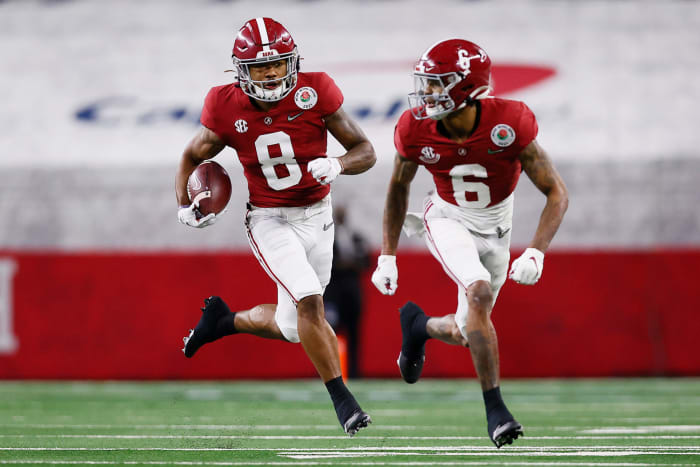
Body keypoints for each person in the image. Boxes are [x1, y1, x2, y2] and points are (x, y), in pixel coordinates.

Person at [176, 17, 376, 436]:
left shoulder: (315, 90)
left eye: (278, 64)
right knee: (309, 301)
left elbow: (366, 150)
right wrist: (185, 204)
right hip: (268, 218)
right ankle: (344, 401)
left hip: (318, 216)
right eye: (260, 67)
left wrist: (337, 163)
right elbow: (192, 155)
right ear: (240, 71)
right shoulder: (225, 104)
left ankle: (222, 322)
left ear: (293, 61)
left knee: (291, 327)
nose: (270, 74)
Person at [370, 39, 568, 447]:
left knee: (466, 331)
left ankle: (418, 326)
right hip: (446, 217)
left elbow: (556, 191)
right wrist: (387, 255)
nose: (426, 93)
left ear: (467, 86)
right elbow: (397, 188)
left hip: (497, 226)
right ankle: (496, 411)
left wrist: (536, 250)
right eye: (425, 83)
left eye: (437, 84)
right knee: (477, 292)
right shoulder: (414, 128)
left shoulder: (509, 122)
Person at [323, 205, 371, 378]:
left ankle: (354, 372)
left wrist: (351, 265)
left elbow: (367, 262)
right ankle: (328, 372)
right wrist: (345, 265)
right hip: (333, 294)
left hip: (352, 294)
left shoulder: (355, 237)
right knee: (329, 333)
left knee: (354, 335)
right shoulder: (327, 237)